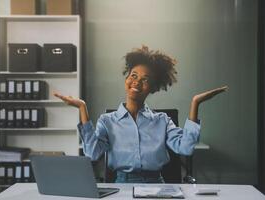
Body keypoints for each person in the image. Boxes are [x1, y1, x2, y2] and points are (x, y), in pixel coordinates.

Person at [54, 46, 228, 183]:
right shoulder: (107, 121)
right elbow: (92, 154)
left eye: (145, 79)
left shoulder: (163, 121)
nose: (137, 81)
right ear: (126, 79)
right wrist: (82, 108)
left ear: (153, 87)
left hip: (158, 186)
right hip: (121, 186)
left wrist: (195, 103)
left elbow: (186, 148)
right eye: (133, 75)